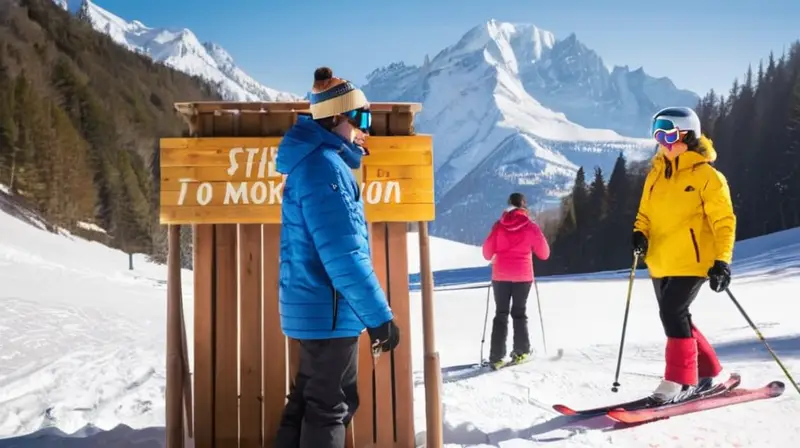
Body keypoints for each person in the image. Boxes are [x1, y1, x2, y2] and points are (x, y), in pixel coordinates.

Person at [273, 67, 400, 448]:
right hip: (329, 312)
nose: (366, 127)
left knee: (307, 402)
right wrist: (380, 319)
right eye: (361, 117)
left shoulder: (313, 163)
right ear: (337, 118)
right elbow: (345, 255)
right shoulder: (325, 168)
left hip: (314, 309)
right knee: (331, 407)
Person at [632, 106, 735, 404]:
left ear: (689, 135)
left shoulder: (708, 176)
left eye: (669, 133)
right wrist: (640, 233)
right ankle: (708, 370)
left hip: (695, 260)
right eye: (657, 133)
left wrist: (722, 261)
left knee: (672, 312)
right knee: (677, 318)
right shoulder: (655, 175)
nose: (662, 140)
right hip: (661, 261)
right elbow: (645, 214)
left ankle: (680, 381)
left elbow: (724, 221)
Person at [481, 192, 551, 370]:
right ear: (524, 206)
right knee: (519, 313)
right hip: (523, 276)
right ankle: (521, 351)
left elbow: (486, 253)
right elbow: (544, 254)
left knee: (501, 314)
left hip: (501, 275)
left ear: (508, 205)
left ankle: (496, 357)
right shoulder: (531, 227)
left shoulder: (498, 226)